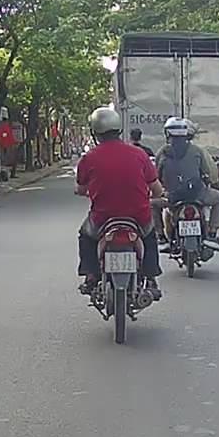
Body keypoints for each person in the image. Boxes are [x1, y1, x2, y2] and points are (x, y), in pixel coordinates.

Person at [75, 106, 165, 297]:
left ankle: (91, 276)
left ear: (95, 132)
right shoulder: (139, 154)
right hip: (138, 216)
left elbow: (81, 189)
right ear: (119, 129)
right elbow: (157, 189)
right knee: (150, 236)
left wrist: (84, 191)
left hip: (102, 218)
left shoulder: (88, 158)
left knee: (85, 236)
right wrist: (155, 195)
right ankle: (151, 277)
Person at [154, 117, 219, 251]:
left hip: (171, 198)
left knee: (150, 204)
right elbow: (207, 172)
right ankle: (212, 234)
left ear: (167, 133)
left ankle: (160, 237)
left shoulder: (162, 152)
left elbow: (155, 176)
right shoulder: (197, 150)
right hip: (197, 195)